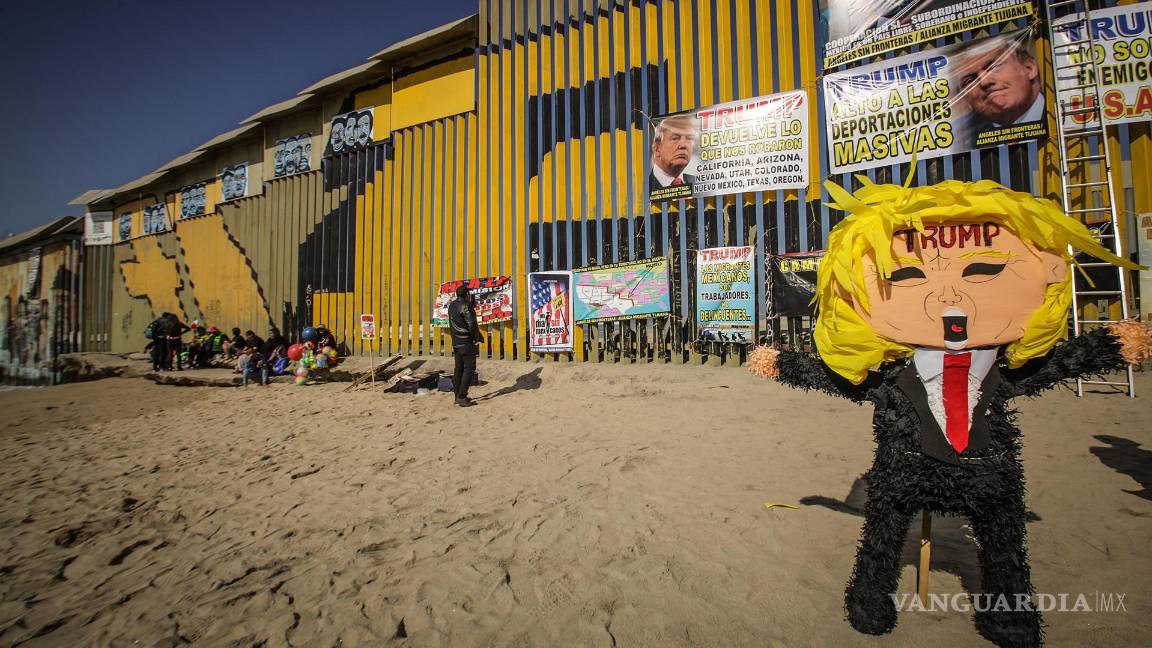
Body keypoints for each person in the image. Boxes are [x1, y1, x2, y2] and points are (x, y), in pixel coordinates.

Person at [751, 178, 1149, 647]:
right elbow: (841, 380)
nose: (947, 299)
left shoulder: (1003, 371)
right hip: (902, 471)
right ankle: (870, 599)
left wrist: (1106, 346)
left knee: (1003, 544)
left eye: (982, 270)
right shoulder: (890, 375)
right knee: (882, 534)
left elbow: (1054, 366)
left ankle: (1008, 615)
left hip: (989, 475)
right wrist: (782, 364)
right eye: (908, 276)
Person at [955, 39, 1044, 144]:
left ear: (1029, 68)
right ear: (965, 99)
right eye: (970, 80)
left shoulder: (1063, 114)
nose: (984, 82)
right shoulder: (959, 141)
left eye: (994, 67)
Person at [448, 285, 483, 406]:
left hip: (456, 342)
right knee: (469, 368)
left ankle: (457, 395)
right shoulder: (466, 306)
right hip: (466, 341)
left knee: (459, 369)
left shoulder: (452, 305)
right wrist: (476, 338)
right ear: (466, 294)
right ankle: (462, 396)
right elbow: (471, 324)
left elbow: (459, 320)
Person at [648, 114, 699, 196]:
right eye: (675, 138)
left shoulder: (699, 184)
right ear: (657, 149)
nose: (683, 145)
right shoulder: (643, 188)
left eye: (689, 138)